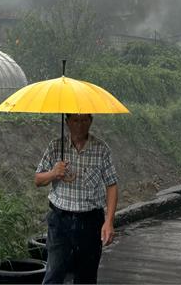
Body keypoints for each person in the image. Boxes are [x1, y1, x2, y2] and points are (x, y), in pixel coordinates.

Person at [35, 113, 118, 284]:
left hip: (90, 222)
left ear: (91, 121)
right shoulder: (56, 147)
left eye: (84, 120)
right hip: (60, 221)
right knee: (54, 273)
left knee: (86, 277)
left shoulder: (101, 149)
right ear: (67, 122)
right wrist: (53, 173)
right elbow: (38, 180)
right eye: (75, 120)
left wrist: (109, 222)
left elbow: (112, 185)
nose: (80, 125)